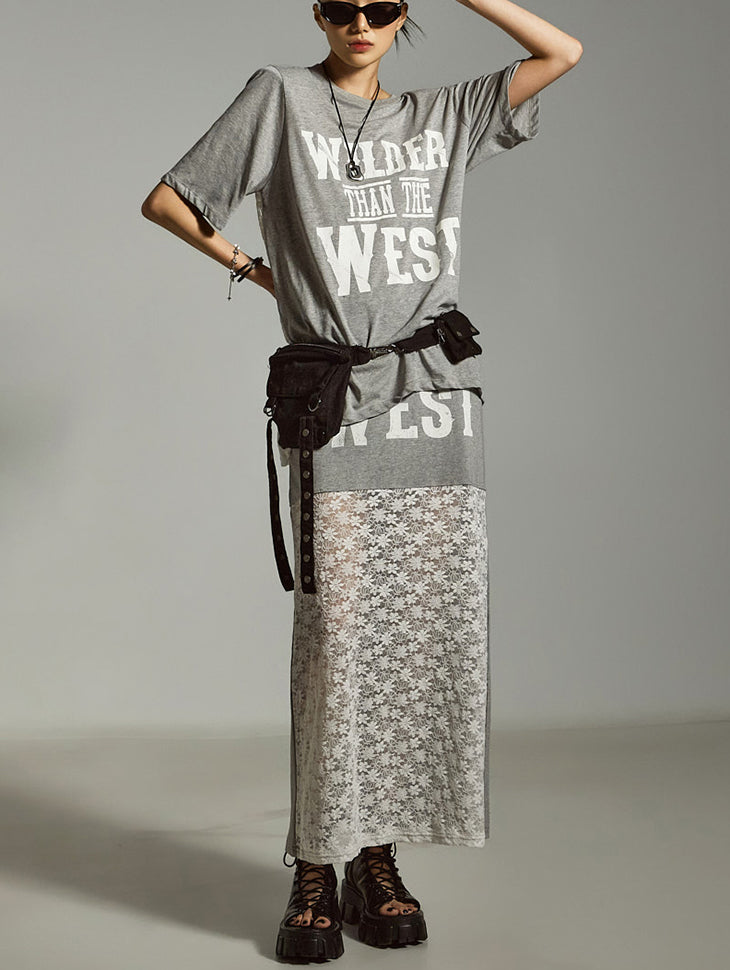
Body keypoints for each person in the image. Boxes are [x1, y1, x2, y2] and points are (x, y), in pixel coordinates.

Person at [141, 0, 582, 960]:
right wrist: (258, 270)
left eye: (382, 7)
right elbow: (170, 201)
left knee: (418, 632)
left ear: (403, 13)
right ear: (318, 12)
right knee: (337, 635)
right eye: (342, 6)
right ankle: (315, 861)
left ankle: (375, 857)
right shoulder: (280, 99)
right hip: (332, 397)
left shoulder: (442, 115)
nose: (361, 22)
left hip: (435, 396)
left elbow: (562, 50)